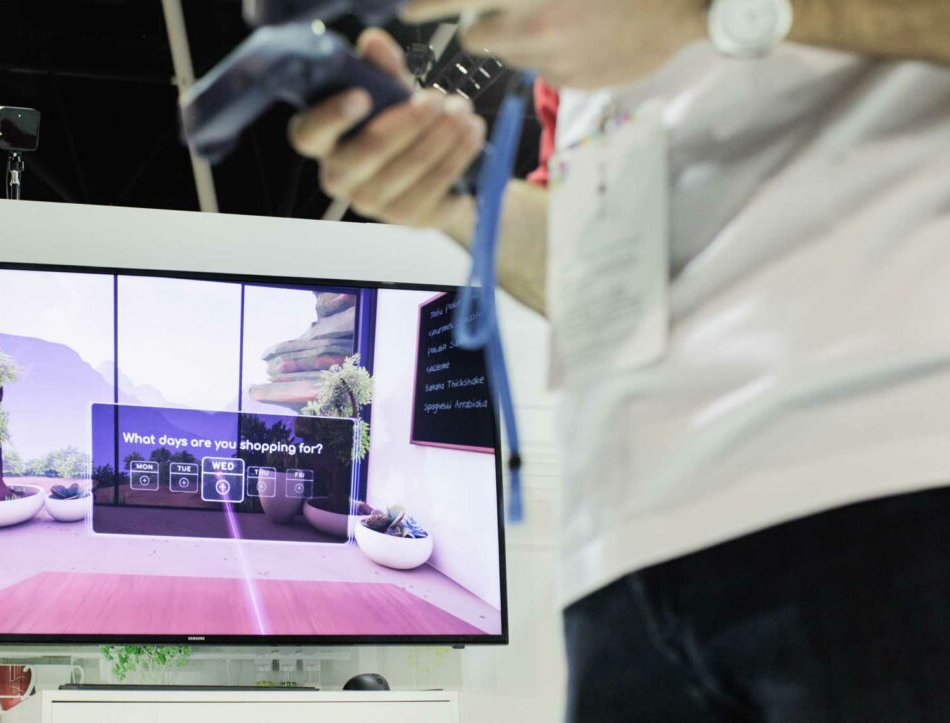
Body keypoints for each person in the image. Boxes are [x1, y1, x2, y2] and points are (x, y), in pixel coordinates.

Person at [289, 2, 950, 721]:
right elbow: (586, 273)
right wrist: (450, 193)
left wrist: (707, 13)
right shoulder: (569, 60)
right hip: (626, 563)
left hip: (886, 479)